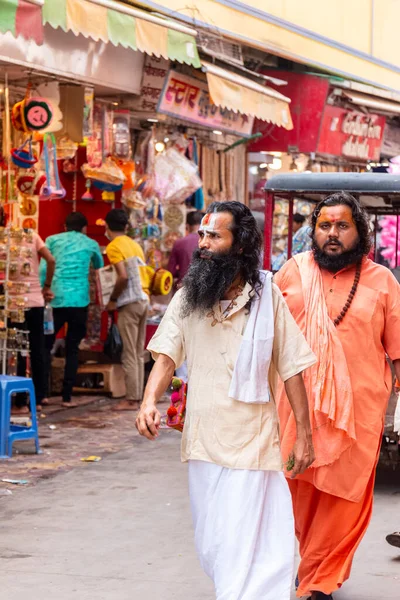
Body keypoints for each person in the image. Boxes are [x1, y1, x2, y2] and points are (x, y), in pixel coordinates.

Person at [136, 201, 317, 599]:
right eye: (202, 234)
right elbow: (167, 354)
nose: (203, 243)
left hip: (252, 438)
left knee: (241, 538)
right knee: (212, 541)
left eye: (214, 236)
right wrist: (149, 400)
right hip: (203, 438)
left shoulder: (267, 297)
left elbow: (292, 367)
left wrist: (304, 435)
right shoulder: (188, 296)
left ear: (239, 245)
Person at [274, 192, 400, 600]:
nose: (332, 234)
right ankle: (313, 566)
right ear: (313, 231)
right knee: (302, 494)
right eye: (324, 226)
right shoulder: (292, 273)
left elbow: (397, 352)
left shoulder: (382, 281)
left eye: (342, 226)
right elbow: (264, 337)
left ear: (359, 231)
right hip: (297, 408)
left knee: (344, 499)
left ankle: (319, 580)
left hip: (359, 412)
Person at [40, 212, 103, 408]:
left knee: (45, 345)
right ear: (84, 228)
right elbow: (99, 264)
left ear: (65, 226)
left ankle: (43, 395)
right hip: (79, 301)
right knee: (73, 348)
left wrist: (45, 288)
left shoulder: (52, 240)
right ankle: (67, 397)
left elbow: (43, 268)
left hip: (56, 299)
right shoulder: (90, 243)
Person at [2, 205, 56, 414]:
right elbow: (50, 259)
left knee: (18, 350)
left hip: (14, 303)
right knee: (37, 348)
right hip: (35, 300)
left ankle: (21, 402)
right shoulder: (29, 234)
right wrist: (46, 286)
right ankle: (41, 396)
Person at [105, 208, 151, 411]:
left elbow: (122, 276)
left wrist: (113, 299)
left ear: (107, 227)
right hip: (143, 298)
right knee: (138, 351)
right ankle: (138, 395)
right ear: (126, 226)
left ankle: (132, 398)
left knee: (130, 351)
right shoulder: (135, 245)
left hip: (129, 302)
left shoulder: (114, 246)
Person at [167, 210, 203, 288]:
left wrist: (180, 272)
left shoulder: (179, 243)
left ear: (187, 226)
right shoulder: (208, 242)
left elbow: (170, 271)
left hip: (183, 287)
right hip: (204, 288)